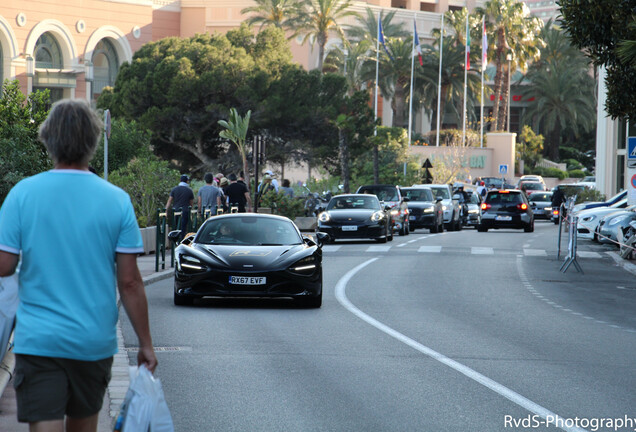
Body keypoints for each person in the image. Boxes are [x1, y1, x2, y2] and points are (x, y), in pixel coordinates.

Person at [0, 99, 157, 432]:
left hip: (39, 340)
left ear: (47, 138)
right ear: (93, 141)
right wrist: (145, 343)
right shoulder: (116, 200)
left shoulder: (22, 195)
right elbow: (129, 283)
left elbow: (3, 265)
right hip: (92, 341)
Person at [166, 174, 194, 240]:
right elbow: (191, 203)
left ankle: (175, 240)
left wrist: (166, 210)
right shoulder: (189, 190)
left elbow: (169, 200)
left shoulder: (174, 189)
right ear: (187, 181)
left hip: (176, 210)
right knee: (183, 227)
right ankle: (183, 239)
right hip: (185, 211)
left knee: (175, 226)